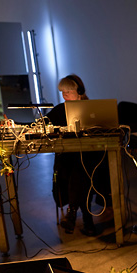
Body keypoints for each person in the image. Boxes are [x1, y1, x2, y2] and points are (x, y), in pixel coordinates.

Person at [45, 74, 105, 236]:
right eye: (62, 92)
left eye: (68, 92)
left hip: (91, 158)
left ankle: (73, 212)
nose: (64, 96)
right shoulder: (59, 109)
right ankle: (87, 221)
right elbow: (41, 124)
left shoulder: (92, 109)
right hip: (68, 160)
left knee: (81, 169)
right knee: (78, 171)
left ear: (80, 91)